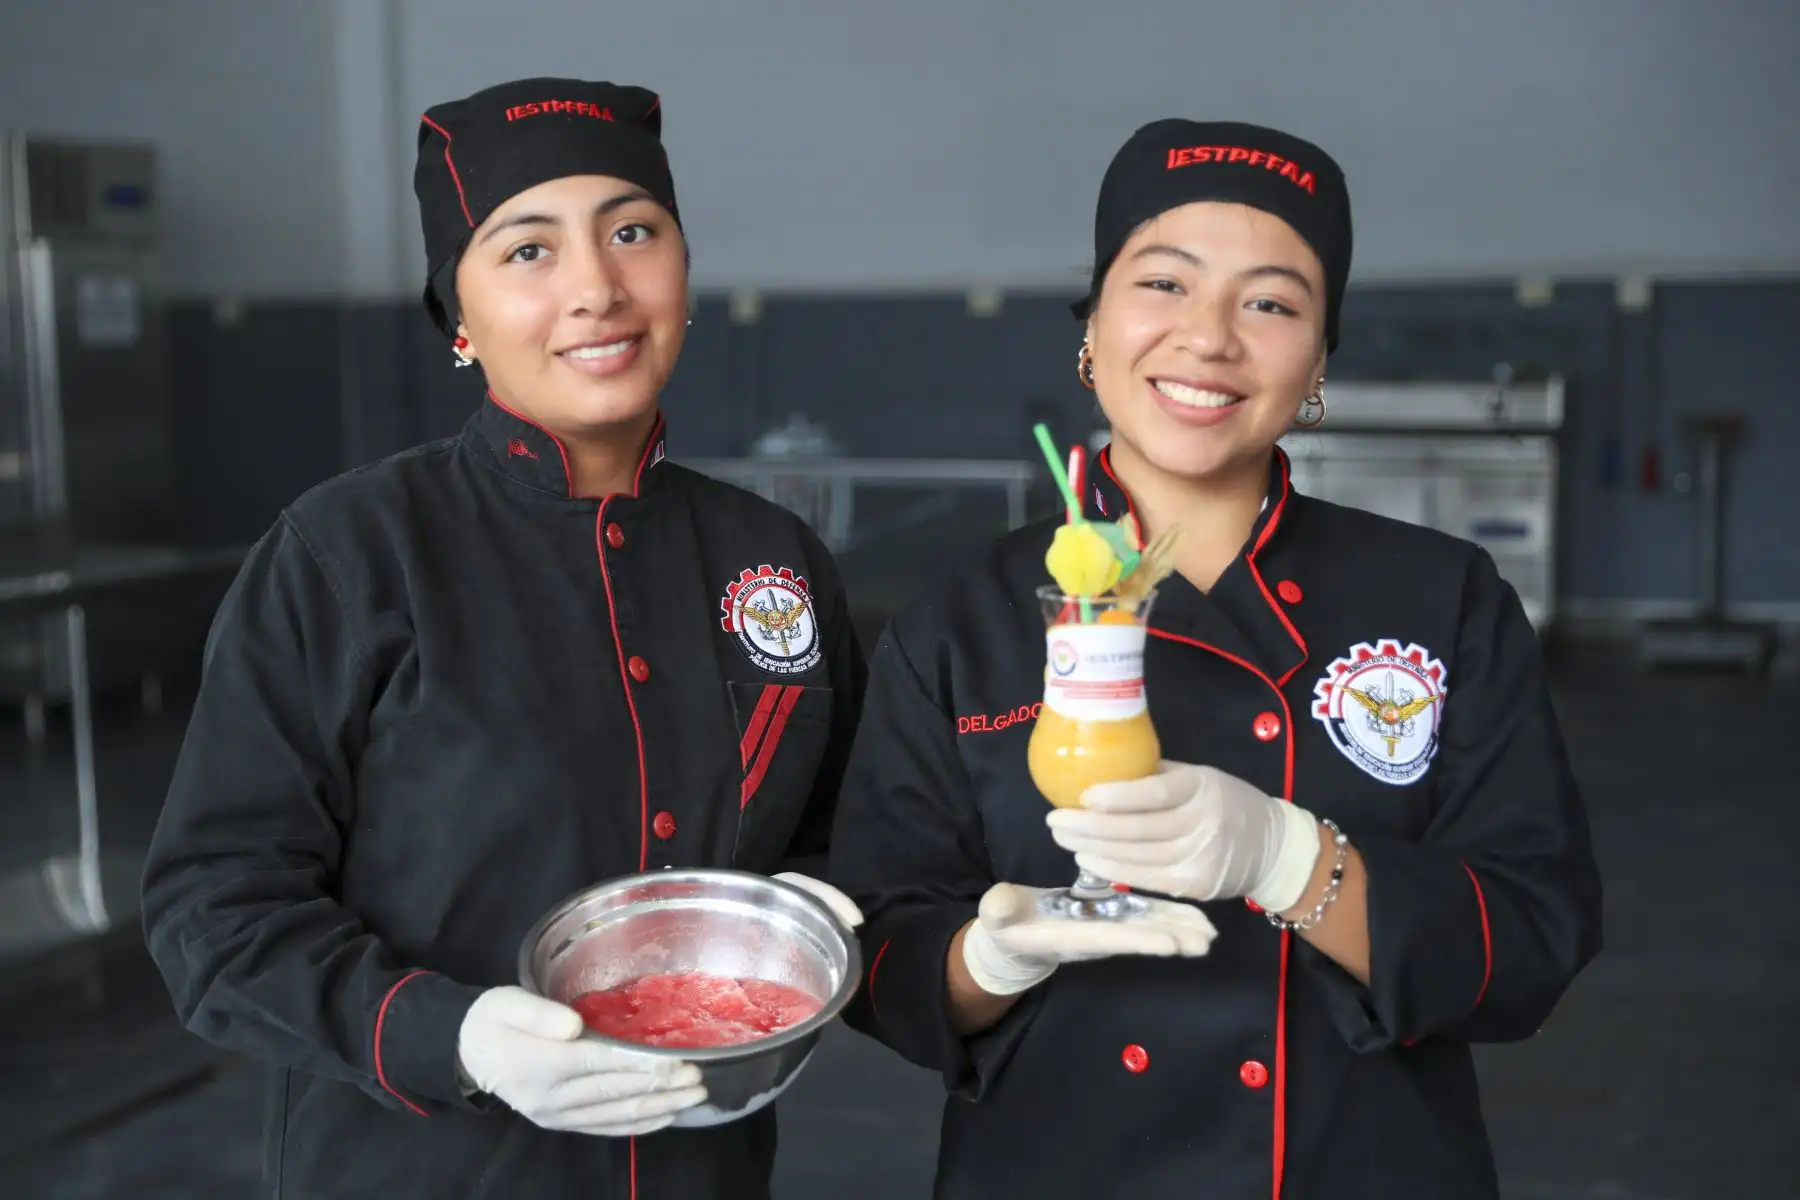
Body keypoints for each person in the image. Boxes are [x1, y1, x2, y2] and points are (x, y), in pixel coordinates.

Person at [826, 119, 1603, 1198]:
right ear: (1092, 326)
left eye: (1271, 303)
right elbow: (880, 964)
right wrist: (989, 957)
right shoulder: (961, 622)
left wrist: (1294, 862)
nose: (1208, 339)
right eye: (1163, 284)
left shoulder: (1441, 597)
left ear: (1319, 361)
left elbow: (1532, 940)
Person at [141, 77, 864, 1200]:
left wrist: (821, 916)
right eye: (529, 250)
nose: (596, 288)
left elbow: (837, 844)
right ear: (459, 319)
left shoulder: (772, 558)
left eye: (633, 232)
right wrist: (455, 1036)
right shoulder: (349, 554)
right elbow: (214, 910)